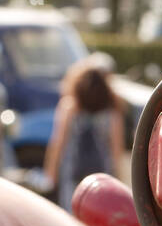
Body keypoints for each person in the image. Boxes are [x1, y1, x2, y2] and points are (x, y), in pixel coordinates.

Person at [43, 56, 128, 209]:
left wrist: (51, 175)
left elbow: (57, 143)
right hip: (102, 179)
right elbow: (116, 152)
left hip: (73, 175)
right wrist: (119, 182)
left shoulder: (69, 108)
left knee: (71, 217)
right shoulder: (112, 115)